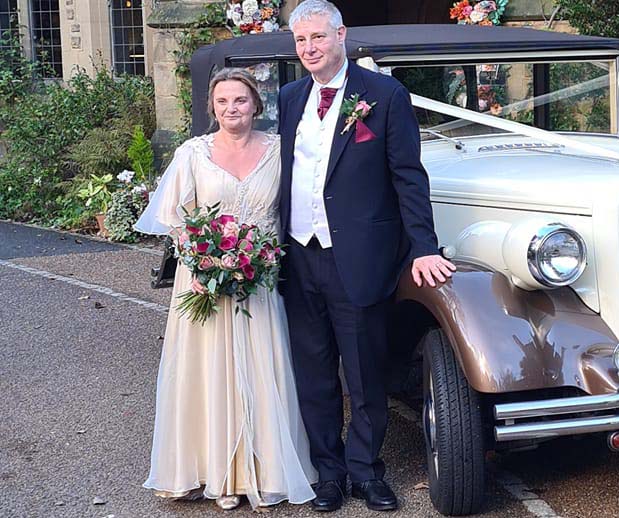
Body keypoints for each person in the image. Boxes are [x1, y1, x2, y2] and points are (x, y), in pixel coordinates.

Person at [277, 0, 455, 512]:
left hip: (358, 257)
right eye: (301, 41)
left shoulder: (383, 95)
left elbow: (408, 177)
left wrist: (424, 247)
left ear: (341, 35)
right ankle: (327, 474)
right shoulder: (290, 98)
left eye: (318, 37)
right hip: (300, 256)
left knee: (365, 374)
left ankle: (365, 472)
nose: (309, 48)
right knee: (313, 375)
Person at [135, 68, 317, 511]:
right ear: (211, 108)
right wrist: (202, 261)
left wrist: (260, 255)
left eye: (240, 100)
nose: (231, 109)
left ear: (256, 104)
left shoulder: (280, 151)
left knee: (262, 368)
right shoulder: (193, 153)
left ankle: (263, 468)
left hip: (260, 279)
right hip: (203, 279)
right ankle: (215, 472)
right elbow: (176, 218)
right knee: (207, 372)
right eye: (222, 102)